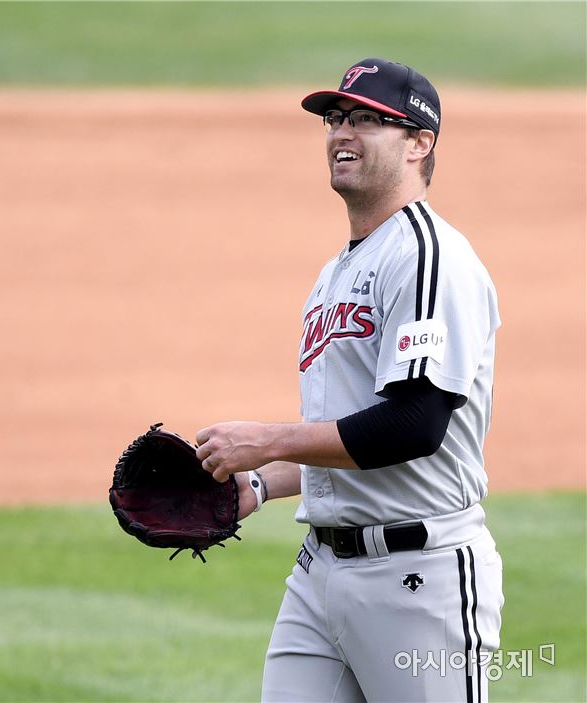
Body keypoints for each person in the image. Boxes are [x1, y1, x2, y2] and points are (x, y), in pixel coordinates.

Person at [195, 58, 503, 702]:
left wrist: (267, 442)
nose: (342, 132)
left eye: (367, 120)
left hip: (420, 580)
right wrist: (261, 482)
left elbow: (413, 425)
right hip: (319, 573)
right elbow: (349, 434)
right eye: (336, 118)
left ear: (419, 143)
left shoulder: (428, 257)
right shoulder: (338, 271)